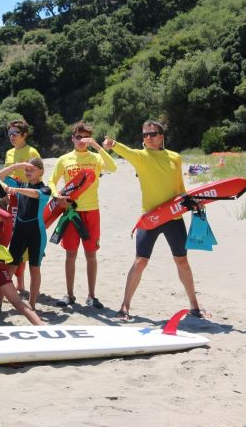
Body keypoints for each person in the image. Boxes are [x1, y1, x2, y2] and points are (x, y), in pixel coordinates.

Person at [103, 121, 210, 320]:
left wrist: (189, 201)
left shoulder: (175, 157)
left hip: (173, 216)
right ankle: (124, 308)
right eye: (145, 135)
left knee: (182, 261)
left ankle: (195, 306)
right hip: (150, 217)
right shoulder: (141, 157)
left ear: (161, 136)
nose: (148, 138)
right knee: (140, 261)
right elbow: (126, 151)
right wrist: (113, 144)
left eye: (152, 134)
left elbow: (180, 187)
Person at [48, 122, 117, 309]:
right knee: (70, 255)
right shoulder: (64, 159)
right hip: (71, 213)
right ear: (72, 138)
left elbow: (113, 167)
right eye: (79, 137)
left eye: (86, 138)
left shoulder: (96, 158)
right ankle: (69, 295)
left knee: (91, 255)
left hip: (92, 212)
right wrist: (57, 196)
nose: (82, 141)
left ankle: (92, 296)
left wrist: (96, 146)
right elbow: (51, 181)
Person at [0, 158, 51, 310]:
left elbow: (34, 194)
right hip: (19, 232)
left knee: (35, 268)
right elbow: (0, 176)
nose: (28, 172)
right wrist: (18, 165)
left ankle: (32, 303)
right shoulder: (21, 185)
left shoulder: (45, 189)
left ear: (41, 171)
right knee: (11, 267)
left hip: (36, 234)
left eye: (32, 169)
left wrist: (17, 190)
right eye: (26, 169)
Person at [4, 119, 41, 296]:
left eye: (15, 133)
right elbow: (5, 177)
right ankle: (14, 284)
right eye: (9, 133)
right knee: (14, 239)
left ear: (24, 134)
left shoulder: (31, 151)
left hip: (28, 200)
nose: (12, 136)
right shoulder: (9, 153)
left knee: (25, 241)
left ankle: (21, 284)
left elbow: (38, 177)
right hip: (12, 199)